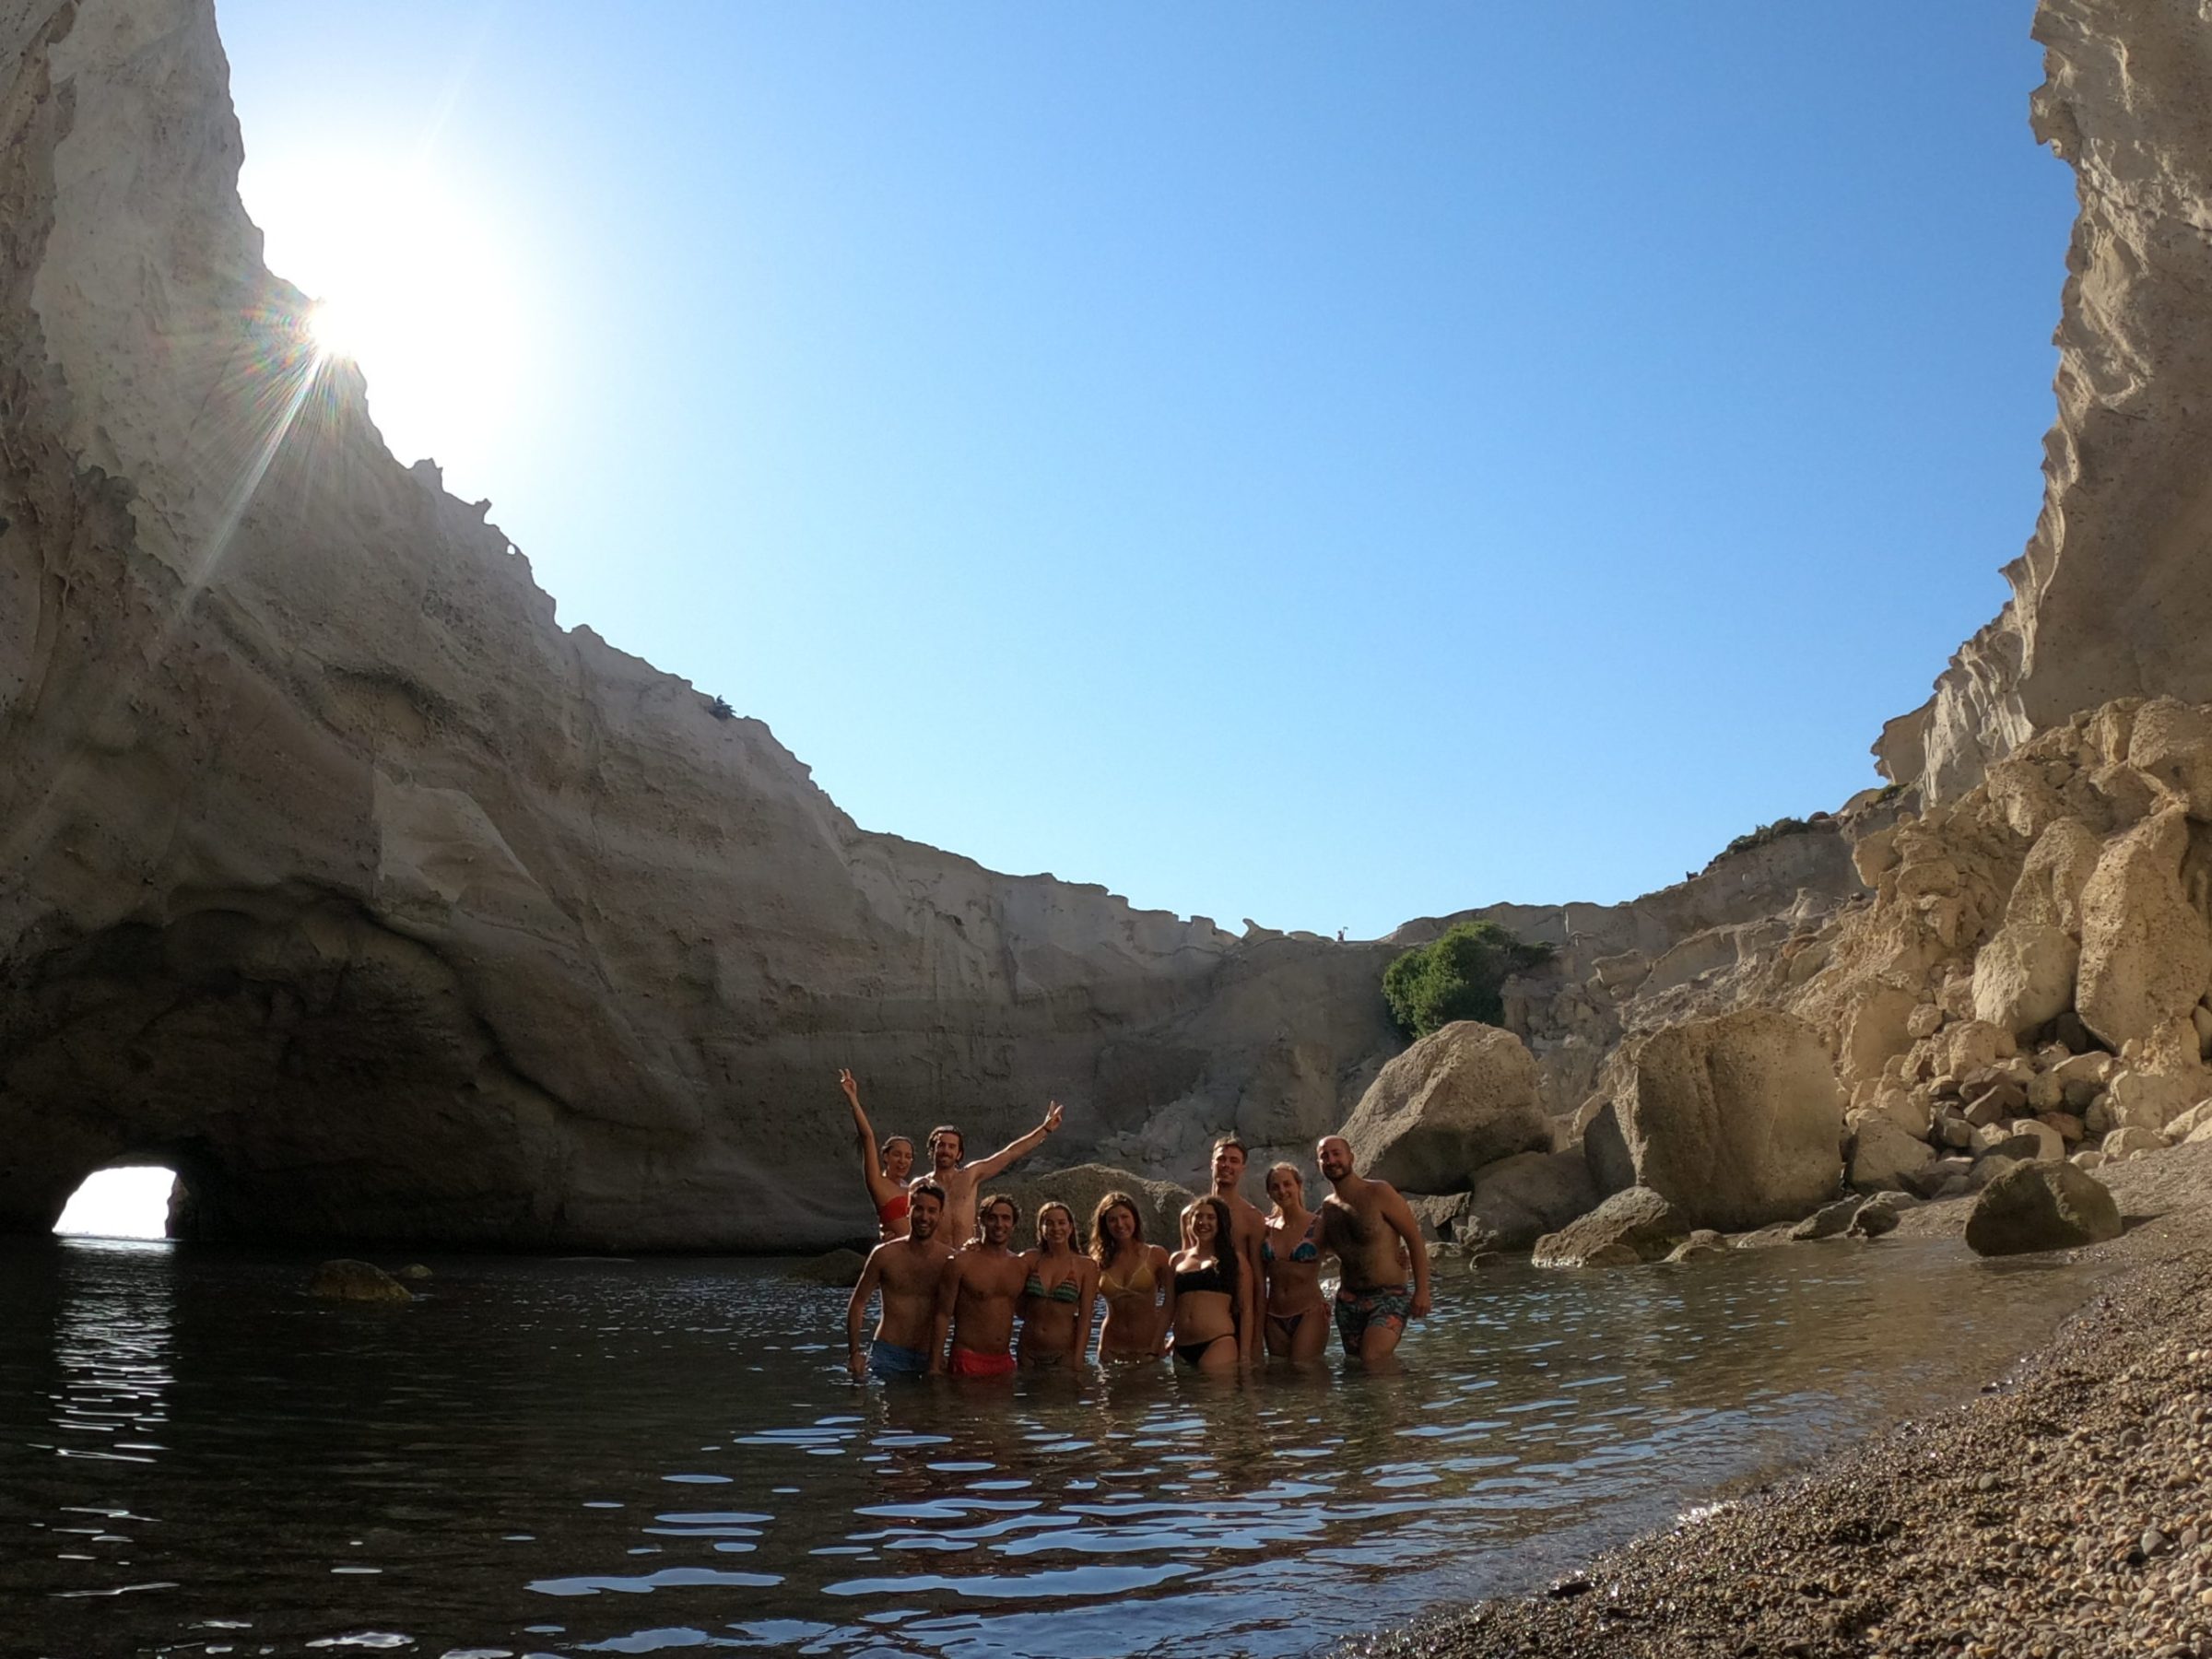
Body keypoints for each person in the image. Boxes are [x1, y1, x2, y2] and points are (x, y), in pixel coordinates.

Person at [1314, 1135, 1431, 1365]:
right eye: (1324, 1156)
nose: (1331, 1160)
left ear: (1351, 1157)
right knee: (1358, 1368)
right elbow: (1320, 1253)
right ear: (1319, 1165)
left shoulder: (1380, 1192)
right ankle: (1392, 1394)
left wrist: (1422, 1291)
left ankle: (1409, 1399)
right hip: (1348, 1301)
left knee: (1373, 1358)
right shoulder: (1328, 1208)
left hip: (1389, 1295)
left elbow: (1414, 1239)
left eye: (1337, 1153)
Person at [845, 1182, 954, 1379]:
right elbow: (858, 1303)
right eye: (919, 1208)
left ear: (941, 1216)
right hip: (888, 1353)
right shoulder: (884, 1255)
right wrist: (854, 1353)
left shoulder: (950, 1260)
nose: (925, 1217)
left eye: (932, 1211)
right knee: (894, 1408)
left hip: (930, 1356)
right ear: (908, 1210)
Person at [922, 1101, 1066, 1242]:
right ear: (932, 1150)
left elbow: (1010, 1153)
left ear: (959, 1154)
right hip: (933, 1259)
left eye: (952, 1146)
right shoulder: (922, 1185)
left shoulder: (970, 1175)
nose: (946, 1150)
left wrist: (1045, 1130)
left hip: (965, 1257)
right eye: (941, 1145)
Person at [931, 1193, 1029, 1378]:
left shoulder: (1020, 1266)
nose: (999, 1224)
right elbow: (942, 1315)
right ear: (981, 1222)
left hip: (1004, 1361)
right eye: (992, 1218)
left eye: (1005, 1218)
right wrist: (934, 1366)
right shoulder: (960, 1262)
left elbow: (1027, 1312)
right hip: (968, 1358)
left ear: (1014, 1224)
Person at [1090, 1192, 1174, 1365]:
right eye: (1112, 1220)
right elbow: (1082, 1308)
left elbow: (1173, 1302)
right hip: (1110, 1349)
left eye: (1124, 1217)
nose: (1120, 1224)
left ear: (1135, 1218)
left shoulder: (1155, 1255)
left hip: (1150, 1347)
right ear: (1104, 1225)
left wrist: (1167, 1341)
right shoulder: (1098, 1261)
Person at [1259, 1162, 1331, 1362]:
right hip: (1273, 1314)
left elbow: (1350, 1251)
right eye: (1275, 1187)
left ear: (1299, 1186)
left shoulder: (1319, 1225)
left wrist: (1397, 1257)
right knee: (1280, 1377)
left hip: (1309, 1312)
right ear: (1269, 1193)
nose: (1282, 1191)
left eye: (1287, 1184)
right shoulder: (1264, 1228)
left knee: (1306, 1374)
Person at [1015, 1201, 1099, 1370]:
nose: (1056, 1228)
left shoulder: (1086, 1266)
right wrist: (975, 1245)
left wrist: (1078, 1359)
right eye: (1049, 1223)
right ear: (1041, 1229)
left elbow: (1085, 1317)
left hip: (1064, 1353)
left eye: (1061, 1223)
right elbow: (1013, 1298)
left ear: (1070, 1227)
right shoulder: (1029, 1259)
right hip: (1027, 1352)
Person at [1206, 1136, 1268, 1363]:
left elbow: (1259, 1283)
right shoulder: (1193, 1216)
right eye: (1221, 1159)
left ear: (1243, 1168)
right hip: (1204, 1313)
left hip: (1237, 1311)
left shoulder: (1251, 1217)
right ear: (1211, 1163)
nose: (1227, 1165)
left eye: (1234, 1161)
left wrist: (1256, 1339)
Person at [1166, 1195, 1241, 1371]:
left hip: (1217, 1342)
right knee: (1188, 1397)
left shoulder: (1233, 1260)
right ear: (1190, 1222)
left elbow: (1246, 1309)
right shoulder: (1177, 1259)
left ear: (1221, 1222)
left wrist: (1246, 1353)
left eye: (1210, 1217)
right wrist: (1156, 1344)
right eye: (1198, 1216)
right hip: (1181, 1346)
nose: (1203, 1222)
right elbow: (1168, 1306)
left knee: (1216, 1399)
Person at [839, 1069, 915, 1241]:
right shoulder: (878, 1184)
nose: (903, 1161)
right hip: (899, 1254)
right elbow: (867, 1137)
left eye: (908, 1156)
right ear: (886, 1157)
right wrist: (853, 1098)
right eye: (897, 1154)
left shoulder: (913, 1187)